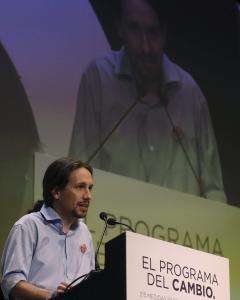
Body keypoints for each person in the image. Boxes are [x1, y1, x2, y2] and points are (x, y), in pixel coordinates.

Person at [69, 0, 226, 202]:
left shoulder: (190, 94)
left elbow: (214, 192)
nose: (145, 47)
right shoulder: (99, 78)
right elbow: (77, 176)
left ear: (165, 33)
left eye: (152, 32)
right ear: (120, 28)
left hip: (178, 230)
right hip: (112, 227)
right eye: (134, 29)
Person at [1, 158, 95, 300]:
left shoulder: (84, 233)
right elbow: (11, 283)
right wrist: (52, 297)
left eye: (90, 188)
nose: (88, 196)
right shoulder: (28, 226)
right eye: (80, 187)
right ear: (56, 192)